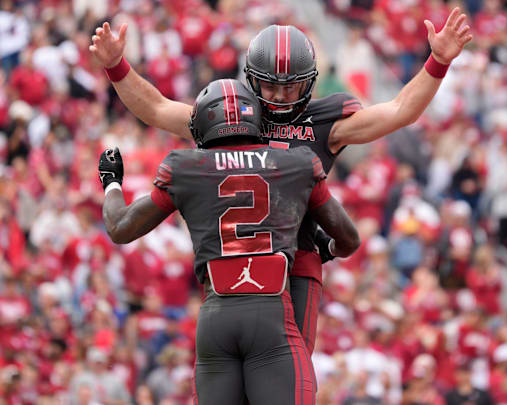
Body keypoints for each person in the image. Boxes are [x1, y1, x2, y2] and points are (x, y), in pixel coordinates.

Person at [89, 10, 471, 354]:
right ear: (251, 81)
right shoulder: (228, 114)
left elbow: (400, 111)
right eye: (271, 86)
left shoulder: (325, 123)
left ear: (309, 83)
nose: (280, 96)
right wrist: (116, 67)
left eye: (291, 86)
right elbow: (157, 108)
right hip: (233, 260)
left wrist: (438, 61)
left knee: (290, 369)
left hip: (297, 259)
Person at [98, 79, 360, 404]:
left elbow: (120, 227)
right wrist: (328, 248)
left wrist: (111, 183)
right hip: (272, 316)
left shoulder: (185, 168)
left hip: (216, 318)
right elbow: (349, 239)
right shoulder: (297, 163)